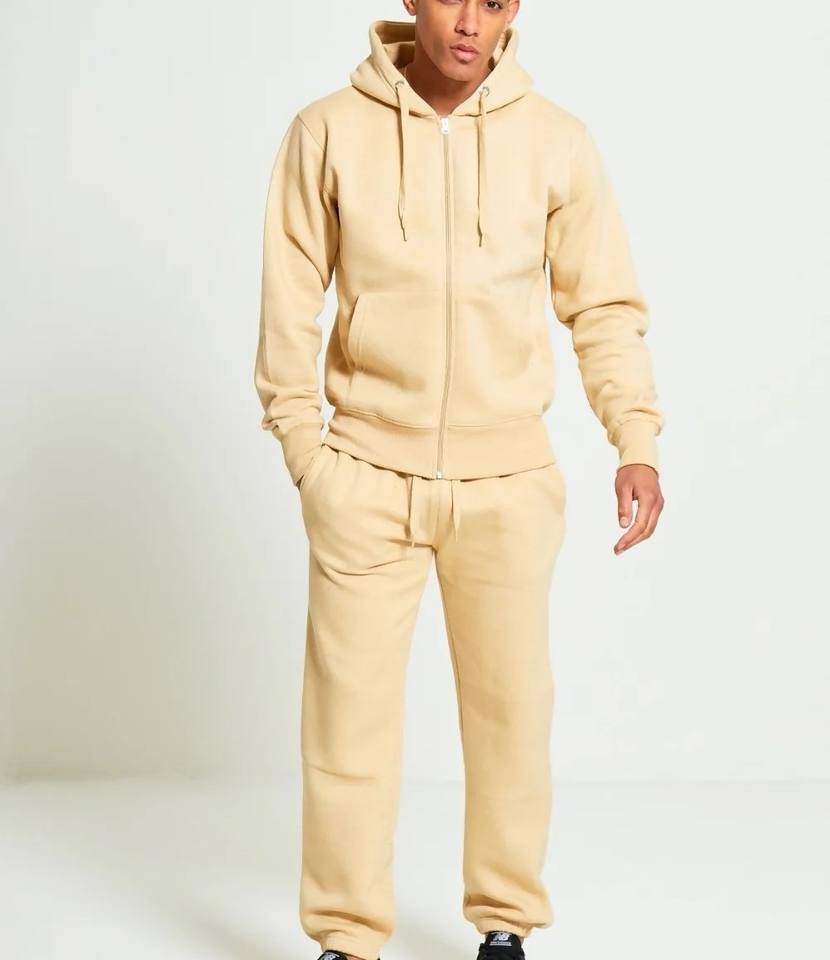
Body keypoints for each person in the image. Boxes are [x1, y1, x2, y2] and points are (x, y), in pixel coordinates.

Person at [254, 3, 665, 959]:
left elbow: (603, 306)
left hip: (508, 481)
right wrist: (309, 455)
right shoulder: (327, 131)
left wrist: (635, 439)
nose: (471, 21)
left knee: (512, 721)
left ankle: (505, 925)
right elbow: (287, 304)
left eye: (495, 0)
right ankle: (346, 937)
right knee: (347, 729)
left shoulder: (557, 141)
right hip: (365, 478)